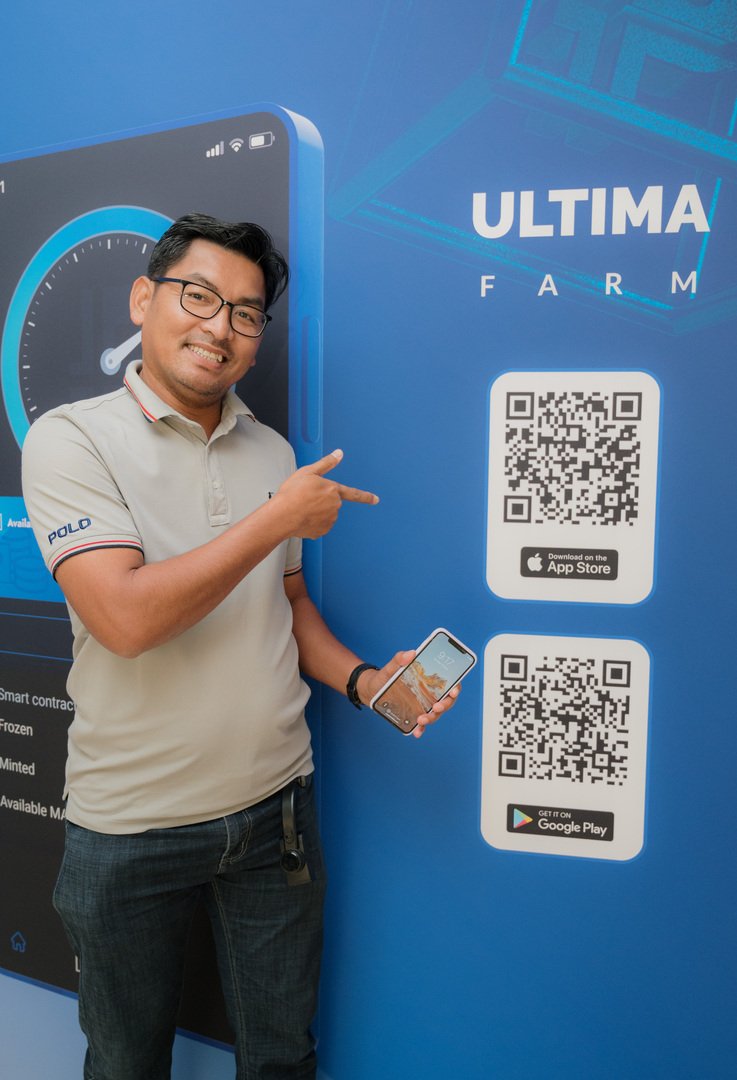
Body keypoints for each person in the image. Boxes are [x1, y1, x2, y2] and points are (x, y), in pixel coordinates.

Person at [21, 212, 459, 1080]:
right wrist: (273, 519)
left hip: (275, 813)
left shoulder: (272, 452)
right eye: (199, 296)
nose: (220, 327)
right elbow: (125, 620)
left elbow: (284, 602)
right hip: (129, 827)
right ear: (143, 300)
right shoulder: (71, 439)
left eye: (246, 313)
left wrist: (365, 681)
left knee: (281, 1059)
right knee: (124, 1063)